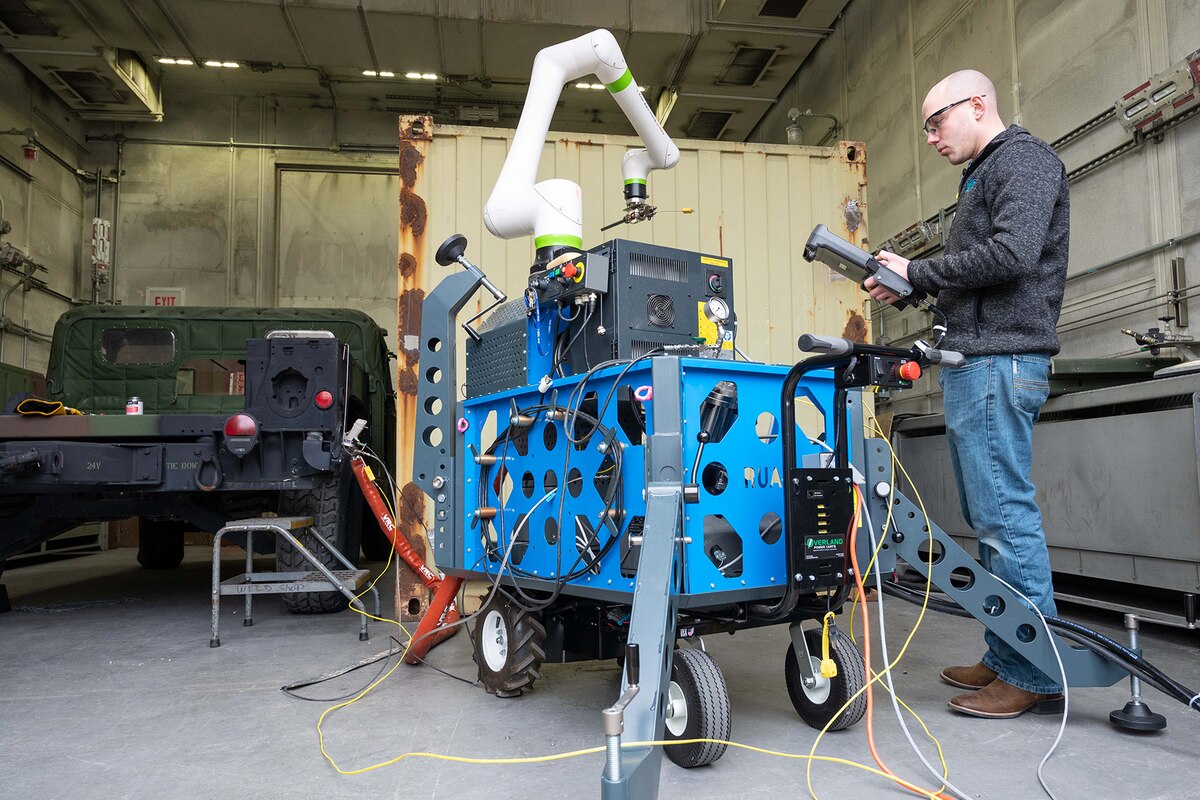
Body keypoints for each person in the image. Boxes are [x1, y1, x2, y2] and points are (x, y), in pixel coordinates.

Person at [865, 70, 1069, 718]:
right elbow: (979, 273)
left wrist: (918, 270)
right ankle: (1005, 649)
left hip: (1000, 360)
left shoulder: (1025, 161)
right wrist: (912, 285)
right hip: (976, 359)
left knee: (1004, 517)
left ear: (977, 105)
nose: (930, 137)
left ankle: (1034, 670)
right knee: (989, 521)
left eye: (936, 121)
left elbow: (1013, 255)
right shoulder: (983, 176)